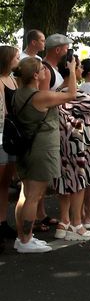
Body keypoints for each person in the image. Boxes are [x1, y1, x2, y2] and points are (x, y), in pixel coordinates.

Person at [12, 56, 78, 252]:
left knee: (26, 195)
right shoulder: (39, 96)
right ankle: (26, 241)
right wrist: (72, 70)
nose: (45, 72)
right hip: (41, 149)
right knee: (34, 195)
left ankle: (23, 237)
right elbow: (72, 94)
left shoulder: (19, 93)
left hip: (26, 148)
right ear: (35, 75)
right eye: (42, 69)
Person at [51, 56, 90, 242]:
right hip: (80, 143)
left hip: (63, 143)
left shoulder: (57, 91)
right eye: (78, 66)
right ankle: (77, 224)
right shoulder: (74, 93)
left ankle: (64, 222)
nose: (81, 69)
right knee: (79, 183)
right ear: (71, 69)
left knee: (64, 182)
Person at [0, 45, 20, 241]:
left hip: (12, 133)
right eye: (15, 57)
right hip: (3, 134)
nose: (18, 60)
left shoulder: (13, 80)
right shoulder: (0, 81)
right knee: (1, 179)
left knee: (6, 182)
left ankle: (3, 221)